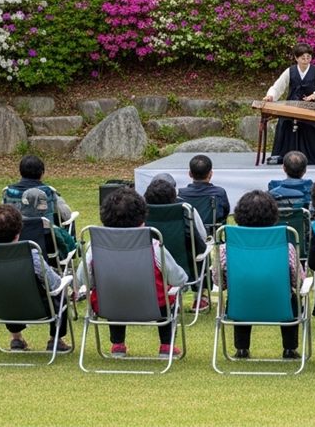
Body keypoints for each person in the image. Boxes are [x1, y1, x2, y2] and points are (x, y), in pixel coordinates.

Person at [86, 187, 188, 359]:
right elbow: (178, 278)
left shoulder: (94, 248)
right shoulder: (154, 246)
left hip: (109, 304)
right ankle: (166, 344)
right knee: (167, 293)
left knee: (113, 291)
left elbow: (83, 278)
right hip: (154, 306)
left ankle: (117, 344)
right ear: (143, 219)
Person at [223, 190, 305, 360]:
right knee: (292, 298)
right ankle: (289, 349)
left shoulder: (227, 248)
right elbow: (299, 281)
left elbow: (218, 279)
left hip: (240, 303)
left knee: (240, 292)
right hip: (281, 303)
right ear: (273, 215)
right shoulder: (285, 246)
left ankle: (241, 348)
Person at [0, 203, 71, 353]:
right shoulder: (31, 255)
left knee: (6, 291)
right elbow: (54, 284)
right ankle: (55, 339)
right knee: (61, 290)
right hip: (39, 308)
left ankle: (16, 339)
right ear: (18, 232)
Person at [263, 42, 315, 165]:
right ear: (296, 58)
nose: (306, 60)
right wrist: (271, 96)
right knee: (285, 122)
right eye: (302, 58)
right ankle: (285, 156)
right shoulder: (290, 71)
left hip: (311, 107)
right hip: (292, 107)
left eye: (308, 57)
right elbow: (278, 87)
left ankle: (312, 157)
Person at [144, 175, 207, 253]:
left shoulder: (141, 212)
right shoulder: (186, 209)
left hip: (150, 262)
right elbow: (203, 236)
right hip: (184, 263)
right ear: (175, 194)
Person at [7, 155, 73, 222]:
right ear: (42, 173)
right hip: (45, 231)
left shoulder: (9, 191)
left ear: (20, 172)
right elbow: (67, 216)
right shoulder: (49, 191)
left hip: (17, 231)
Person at [179, 154, 231, 224]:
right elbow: (225, 214)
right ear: (210, 174)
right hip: (212, 233)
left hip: (189, 233)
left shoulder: (181, 194)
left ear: (190, 174)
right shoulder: (219, 193)